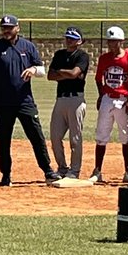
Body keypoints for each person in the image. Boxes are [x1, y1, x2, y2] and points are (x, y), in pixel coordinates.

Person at [0, 14, 61, 186]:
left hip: (25, 101)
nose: (6, 30)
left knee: (36, 136)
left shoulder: (28, 47)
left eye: (9, 27)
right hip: (2, 103)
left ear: (18, 28)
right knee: (4, 140)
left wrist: (32, 70)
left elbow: (42, 70)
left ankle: (47, 170)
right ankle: (6, 175)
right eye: (3, 28)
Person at [90, 26, 128, 184]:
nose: (112, 44)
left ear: (122, 42)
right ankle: (97, 171)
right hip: (107, 98)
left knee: (126, 136)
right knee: (101, 135)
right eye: (110, 41)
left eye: (115, 42)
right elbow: (98, 78)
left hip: (124, 100)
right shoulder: (104, 58)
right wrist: (100, 95)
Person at [47, 26, 90, 179]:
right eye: (67, 37)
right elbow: (50, 75)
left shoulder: (82, 56)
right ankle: (62, 168)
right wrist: (66, 73)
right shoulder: (59, 54)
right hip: (61, 99)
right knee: (55, 136)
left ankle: (75, 170)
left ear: (79, 41)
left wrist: (61, 72)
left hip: (76, 100)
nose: (68, 40)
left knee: (75, 138)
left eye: (72, 38)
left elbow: (75, 74)